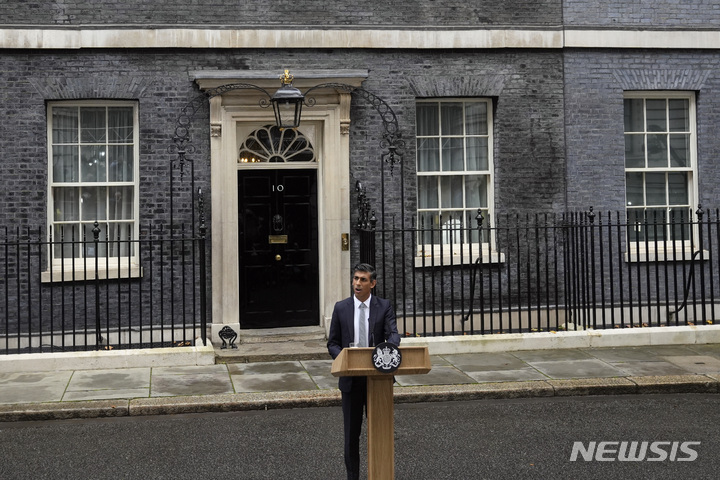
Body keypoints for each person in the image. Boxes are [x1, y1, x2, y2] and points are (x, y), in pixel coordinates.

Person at [327, 263, 401, 480]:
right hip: (351, 379)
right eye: (355, 279)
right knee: (351, 435)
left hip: (378, 378)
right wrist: (343, 360)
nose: (357, 283)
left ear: (373, 283)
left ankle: (379, 473)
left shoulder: (384, 306)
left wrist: (389, 350)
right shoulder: (341, 308)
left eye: (363, 280)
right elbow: (332, 343)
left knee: (379, 431)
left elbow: (393, 335)